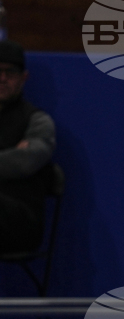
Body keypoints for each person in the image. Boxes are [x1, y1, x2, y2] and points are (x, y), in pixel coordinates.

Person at [0, 40, 55, 254]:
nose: (2, 79)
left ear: (23, 78)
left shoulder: (37, 120)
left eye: (10, 72)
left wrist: (19, 158)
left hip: (20, 221)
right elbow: (15, 160)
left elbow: (26, 161)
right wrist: (12, 154)